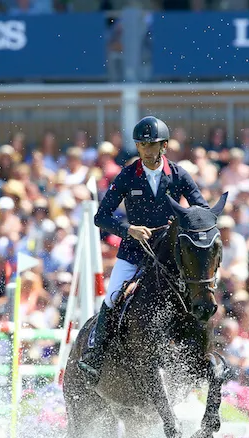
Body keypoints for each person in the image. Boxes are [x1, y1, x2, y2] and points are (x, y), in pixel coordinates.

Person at [77, 116, 209, 385]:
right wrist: (129, 230)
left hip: (171, 257)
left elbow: (202, 209)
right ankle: (95, 355)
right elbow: (101, 216)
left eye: (153, 145)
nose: (148, 151)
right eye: (143, 146)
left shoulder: (179, 175)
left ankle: (199, 352)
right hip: (135, 253)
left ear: (165, 146)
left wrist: (184, 222)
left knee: (199, 290)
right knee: (113, 296)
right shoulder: (126, 176)